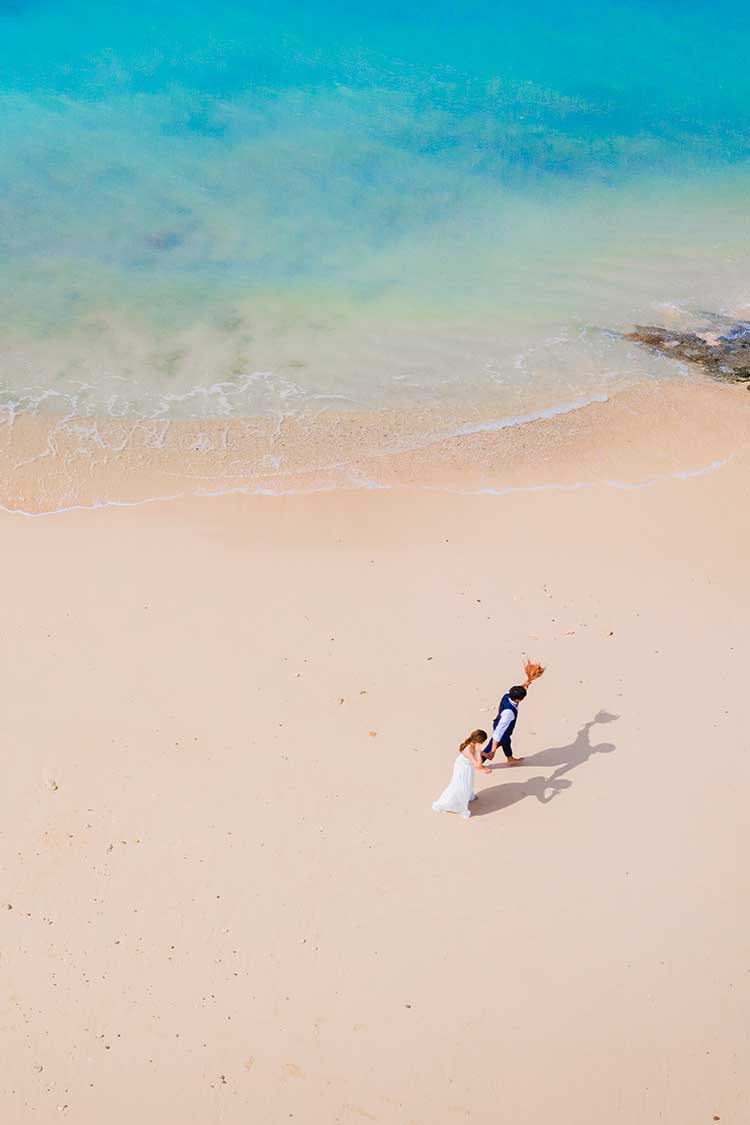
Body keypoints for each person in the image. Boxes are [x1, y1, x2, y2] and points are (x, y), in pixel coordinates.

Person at [432, 729, 490, 819]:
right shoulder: (467, 750)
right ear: (479, 741)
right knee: (460, 785)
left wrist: (485, 754)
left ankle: (468, 796)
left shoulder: (473, 743)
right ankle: (450, 804)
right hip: (462, 768)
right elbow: (478, 765)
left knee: (468, 783)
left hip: (467, 767)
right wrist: (479, 753)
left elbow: (476, 752)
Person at [482, 685, 527, 766]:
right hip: (502, 731)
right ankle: (477, 763)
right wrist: (493, 751)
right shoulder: (509, 713)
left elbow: (517, 690)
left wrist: (526, 683)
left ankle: (510, 758)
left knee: (507, 741)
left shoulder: (507, 695)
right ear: (518, 699)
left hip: (498, 722)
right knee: (490, 747)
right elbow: (498, 733)